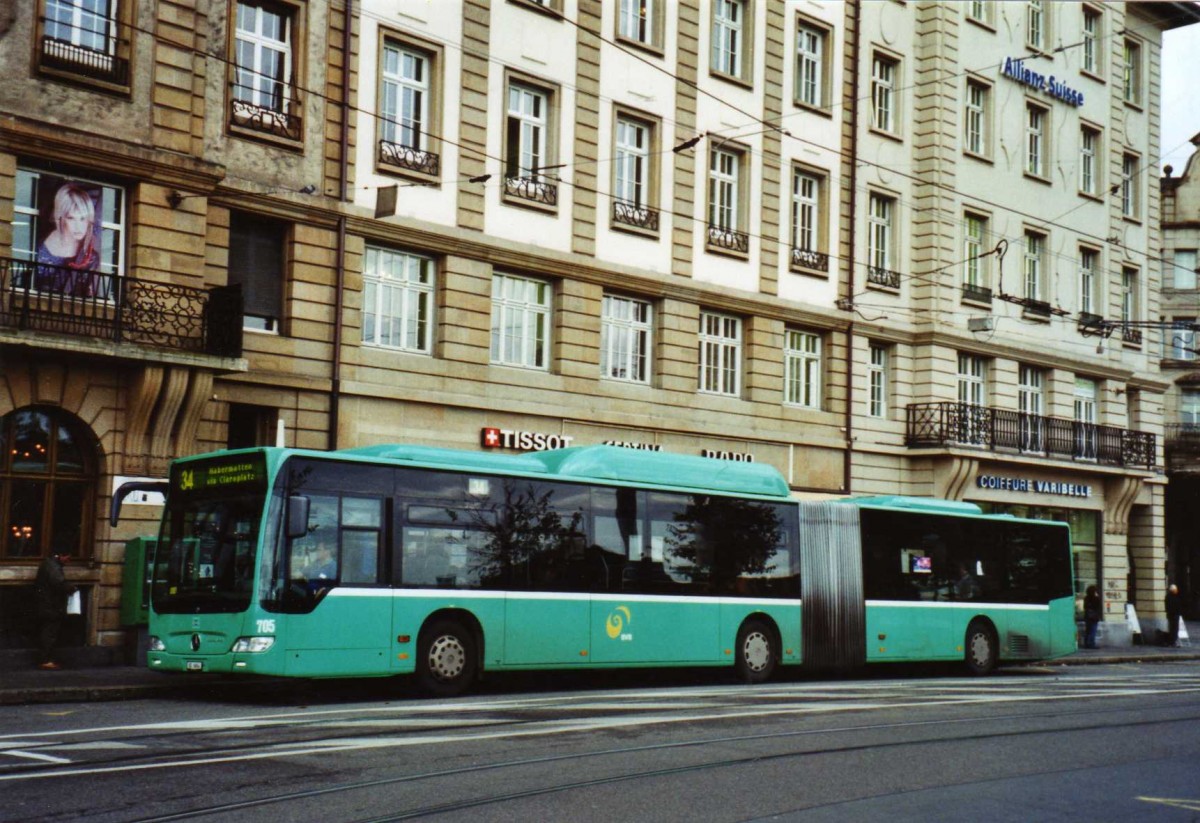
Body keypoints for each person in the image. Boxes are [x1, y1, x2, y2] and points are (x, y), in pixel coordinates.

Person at [35, 182, 100, 296]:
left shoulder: (90, 257)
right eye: (71, 218)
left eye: (83, 219)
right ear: (60, 218)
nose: (78, 226)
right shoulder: (37, 246)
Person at [34, 552, 77, 670]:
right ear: (62, 555)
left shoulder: (48, 563)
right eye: (68, 558)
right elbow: (59, 583)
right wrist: (72, 588)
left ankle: (45, 659)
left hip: (46, 604)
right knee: (49, 633)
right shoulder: (53, 566)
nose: (69, 561)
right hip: (50, 606)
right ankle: (45, 660)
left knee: (47, 632)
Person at [1083, 585, 1102, 649]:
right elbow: (1098, 607)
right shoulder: (1096, 598)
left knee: (1088, 631)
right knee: (1093, 631)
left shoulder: (1086, 598)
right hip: (1094, 617)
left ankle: (1086, 644)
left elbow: (1085, 607)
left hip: (1087, 616)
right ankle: (1091, 644)